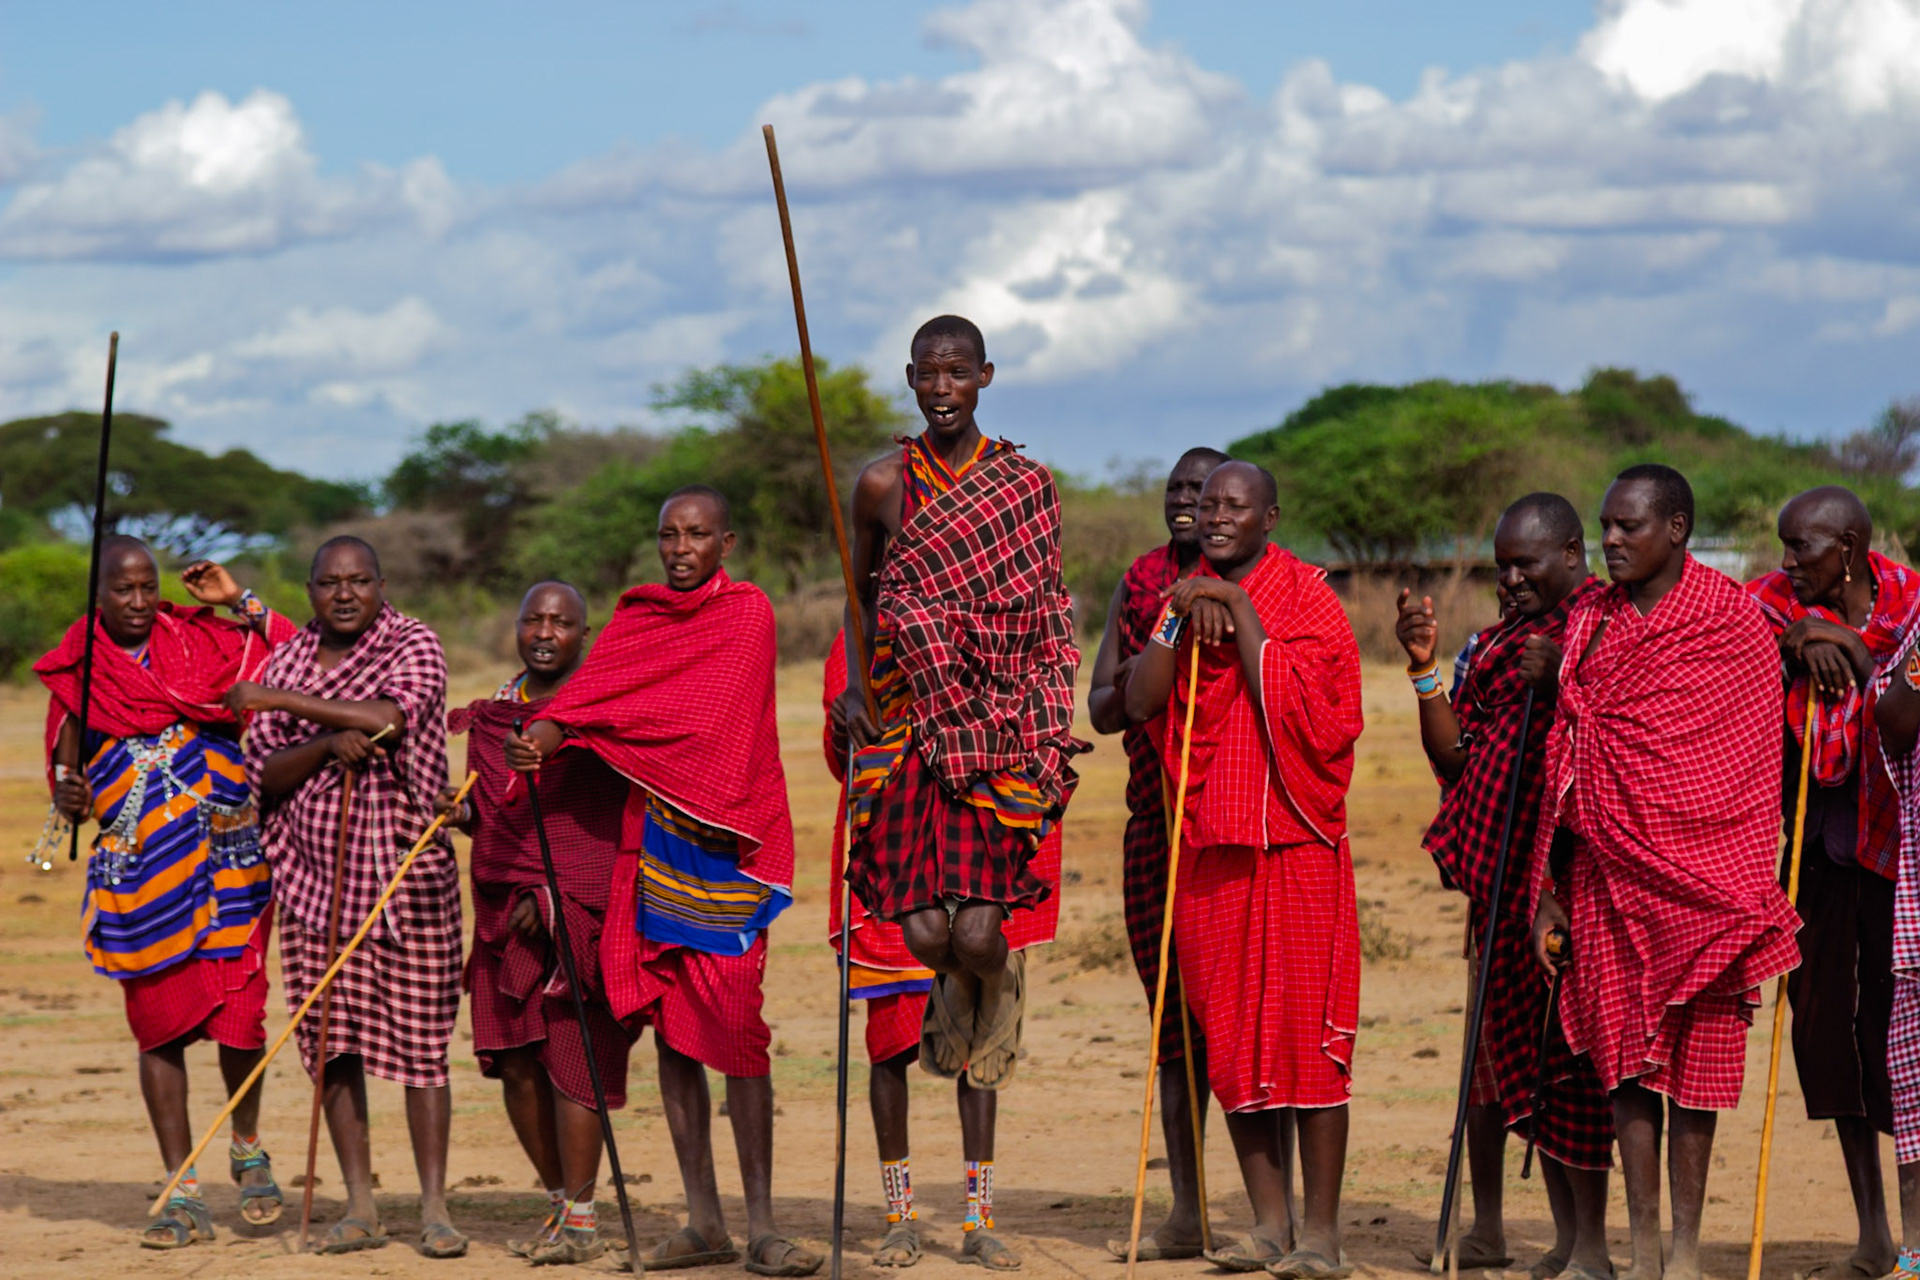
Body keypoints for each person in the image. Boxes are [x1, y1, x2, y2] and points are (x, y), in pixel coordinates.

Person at [507, 486, 819, 1277]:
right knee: (676, 1035)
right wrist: (543, 733)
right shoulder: (635, 620)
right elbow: (588, 700)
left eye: (697, 535)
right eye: (669, 535)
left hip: (726, 848)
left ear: (728, 542)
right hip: (650, 848)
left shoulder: (747, 614)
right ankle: (703, 1221)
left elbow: (705, 721)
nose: (680, 549)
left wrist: (575, 723)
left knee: (740, 1031)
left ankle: (764, 1226)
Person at [838, 314, 1084, 1271]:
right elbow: (862, 593)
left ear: (985, 377)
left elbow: (1046, 602)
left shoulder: (1025, 485)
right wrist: (859, 686)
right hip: (907, 727)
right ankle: (910, 1210)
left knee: (981, 940)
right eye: (927, 373)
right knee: (928, 937)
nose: (942, 387)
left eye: (958, 372)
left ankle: (978, 1217)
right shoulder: (881, 484)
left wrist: (1035, 714)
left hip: (1000, 729)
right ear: (909, 379)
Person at [1528, 464, 1799, 1280]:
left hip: (1709, 884)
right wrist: (1548, 893)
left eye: (1628, 527)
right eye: (1606, 526)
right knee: (1624, 1064)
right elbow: (1567, 757)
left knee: (1698, 1063)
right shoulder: (1591, 622)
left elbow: (1747, 763)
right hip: (1606, 882)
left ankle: (1685, 1251)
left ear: (1676, 529)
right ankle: (1642, 1246)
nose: (1610, 540)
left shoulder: (1731, 622)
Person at [1124, 460, 1364, 1278]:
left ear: (1269, 516)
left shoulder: (1308, 596)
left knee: (1306, 1041)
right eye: (1206, 505)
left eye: (1234, 506)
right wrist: (1177, 621)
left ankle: (1321, 1234)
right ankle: (1267, 1225)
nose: (1215, 516)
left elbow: (1321, 715)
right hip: (1209, 848)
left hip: (1296, 846)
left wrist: (1242, 611)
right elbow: (1142, 703)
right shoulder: (1179, 595)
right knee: (1231, 1040)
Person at [35, 538, 294, 1250]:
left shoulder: (202, 640)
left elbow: (294, 654)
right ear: (100, 596)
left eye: (149, 587)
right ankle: (181, 1190)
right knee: (161, 1029)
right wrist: (71, 793)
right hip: (140, 877)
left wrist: (236, 598)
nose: (142, 602)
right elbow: (65, 790)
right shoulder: (79, 676)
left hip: (228, 864)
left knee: (241, 1017)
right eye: (125, 590)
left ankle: (246, 1144)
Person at [1396, 495, 1612, 1278]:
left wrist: (1565, 681)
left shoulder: (1604, 628)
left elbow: (1620, 729)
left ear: (1572, 554)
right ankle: (1541, 1237)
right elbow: (1459, 763)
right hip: (1501, 882)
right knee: (1512, 1058)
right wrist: (1424, 669)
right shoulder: (1494, 646)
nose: (1512, 579)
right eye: (1503, 566)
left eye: (1527, 564)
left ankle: (1588, 1244)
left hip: (1575, 879)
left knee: (1572, 1063)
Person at [237, 535, 466, 1259]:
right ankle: (360, 1205)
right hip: (312, 882)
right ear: (309, 589)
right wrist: (323, 747)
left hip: (408, 877)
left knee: (424, 1049)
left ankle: (434, 1209)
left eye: (359, 580)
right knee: (331, 1044)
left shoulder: (413, 643)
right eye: (330, 582)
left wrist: (282, 702)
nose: (344, 594)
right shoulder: (292, 655)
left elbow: (390, 719)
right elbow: (266, 773)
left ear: (381, 584)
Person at [822, 629, 1063, 1267]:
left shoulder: (992, 617)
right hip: (894, 844)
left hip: (971, 832)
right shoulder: (858, 638)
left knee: (979, 1042)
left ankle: (978, 1219)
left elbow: (1027, 718)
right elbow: (839, 756)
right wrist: (846, 720)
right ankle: (899, 1217)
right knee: (887, 1048)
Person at [1747, 486, 1918, 1280]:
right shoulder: (1778, 603)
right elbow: (1735, 630)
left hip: (1896, 856)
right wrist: (1800, 639)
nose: (1787, 563)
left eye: (1802, 549)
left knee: (1898, 1037)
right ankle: (1872, 1231)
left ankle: (1913, 1233)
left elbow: (1895, 672)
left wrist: (1847, 643)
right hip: (1812, 853)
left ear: (1847, 550)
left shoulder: (1911, 603)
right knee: (1828, 1039)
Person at [443, 581, 632, 1265]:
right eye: (533, 619)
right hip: (499, 909)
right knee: (518, 1064)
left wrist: (551, 895)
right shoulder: (496, 714)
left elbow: (609, 824)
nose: (545, 632)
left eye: (561, 621)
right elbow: (494, 817)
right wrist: (459, 813)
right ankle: (559, 1203)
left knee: (571, 1061)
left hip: (581, 907)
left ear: (586, 633)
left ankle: (583, 1219)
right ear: (516, 628)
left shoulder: (602, 705)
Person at [1086, 445, 1230, 1262]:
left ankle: (1270, 1207)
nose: (1187, 503)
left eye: (1203, 492)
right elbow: (1106, 707)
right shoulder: (1141, 583)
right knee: (1171, 1028)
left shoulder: (1257, 586)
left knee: (1234, 1019)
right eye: (1177, 489)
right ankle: (1187, 1207)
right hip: (1155, 823)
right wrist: (1160, 649)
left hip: (1233, 827)